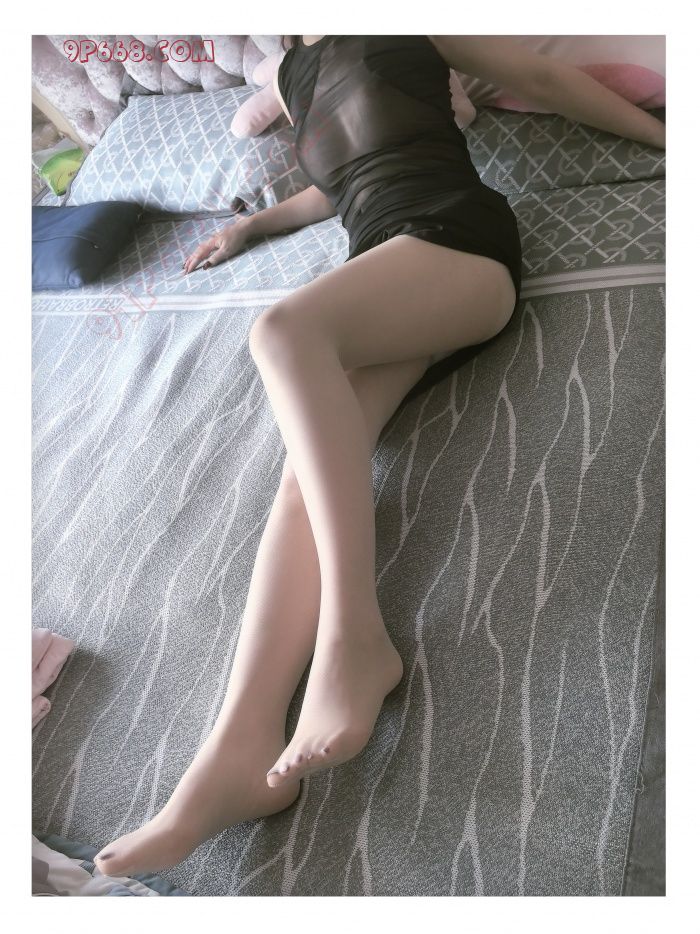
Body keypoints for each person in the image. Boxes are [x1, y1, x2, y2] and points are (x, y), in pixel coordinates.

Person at [94, 35, 665, 878]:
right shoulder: (288, 74)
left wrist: (668, 141)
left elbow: (543, 78)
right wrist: (251, 224)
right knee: (306, 476)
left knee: (281, 333)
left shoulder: (410, 24)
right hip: (386, 277)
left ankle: (355, 636)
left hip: (456, 242)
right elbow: (342, 185)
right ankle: (236, 751)